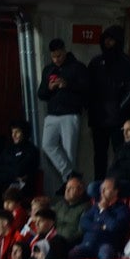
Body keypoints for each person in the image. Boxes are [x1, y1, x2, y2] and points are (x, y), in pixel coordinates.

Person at [88, 26, 130, 179]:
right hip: (98, 119)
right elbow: (88, 87)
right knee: (99, 155)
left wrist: (120, 108)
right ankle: (99, 185)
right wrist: (92, 108)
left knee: (121, 153)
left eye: (111, 40)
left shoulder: (127, 62)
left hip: (119, 119)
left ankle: (119, 183)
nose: (108, 43)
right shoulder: (96, 62)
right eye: (106, 40)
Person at [39, 39, 88, 184]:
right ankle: (70, 176)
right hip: (52, 114)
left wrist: (67, 85)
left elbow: (86, 88)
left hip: (70, 113)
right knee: (47, 144)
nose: (56, 60)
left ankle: (69, 186)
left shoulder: (77, 67)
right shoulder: (48, 69)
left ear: (65, 51)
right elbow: (40, 94)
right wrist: (49, 87)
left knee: (69, 152)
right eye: (53, 57)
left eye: (59, 56)